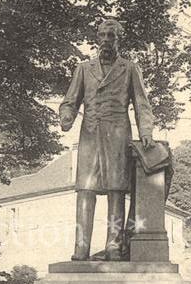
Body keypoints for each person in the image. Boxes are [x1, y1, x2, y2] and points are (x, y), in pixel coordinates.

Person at [59, 18, 155, 261]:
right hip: (90, 133)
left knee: (116, 189)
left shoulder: (130, 68)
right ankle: (81, 246)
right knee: (85, 190)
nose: (105, 41)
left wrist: (146, 132)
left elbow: (142, 103)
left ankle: (113, 245)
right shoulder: (83, 68)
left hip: (118, 133)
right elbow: (70, 100)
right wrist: (67, 116)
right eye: (101, 36)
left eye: (110, 36)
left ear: (118, 38)